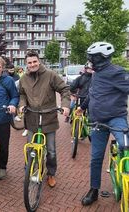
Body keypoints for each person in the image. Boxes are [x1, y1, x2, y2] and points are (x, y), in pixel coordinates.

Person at [78, 42, 129, 206]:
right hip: (98, 121)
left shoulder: (118, 73)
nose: (90, 61)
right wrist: (82, 107)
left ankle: (126, 176)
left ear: (100, 58)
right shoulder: (96, 74)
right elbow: (92, 94)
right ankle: (94, 190)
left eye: (92, 58)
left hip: (116, 118)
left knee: (125, 145)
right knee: (96, 158)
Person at [18, 50, 70, 188]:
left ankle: (51, 173)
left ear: (39, 61)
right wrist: (22, 105)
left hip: (48, 117)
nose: (32, 64)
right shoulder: (23, 78)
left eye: (35, 61)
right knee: (30, 147)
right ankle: (32, 168)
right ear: (26, 64)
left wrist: (65, 106)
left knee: (51, 150)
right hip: (32, 118)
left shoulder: (50, 75)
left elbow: (64, 90)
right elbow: (21, 95)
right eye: (29, 63)